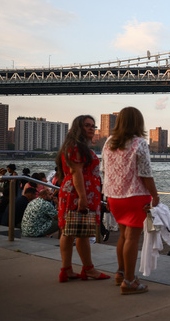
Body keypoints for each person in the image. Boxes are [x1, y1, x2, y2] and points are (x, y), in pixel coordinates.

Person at [102, 106, 160, 295]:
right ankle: (129, 281)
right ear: (138, 122)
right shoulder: (139, 143)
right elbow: (145, 174)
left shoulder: (109, 142)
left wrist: (107, 195)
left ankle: (120, 273)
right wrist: (155, 195)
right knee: (132, 239)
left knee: (123, 236)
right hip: (135, 196)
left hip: (114, 196)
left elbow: (105, 171)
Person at [56, 114, 110, 283]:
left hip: (73, 193)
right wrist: (83, 198)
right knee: (82, 234)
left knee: (70, 232)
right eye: (87, 125)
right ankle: (88, 269)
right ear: (79, 127)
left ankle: (67, 270)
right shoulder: (77, 147)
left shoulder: (72, 146)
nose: (91, 128)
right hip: (77, 194)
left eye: (93, 126)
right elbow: (76, 172)